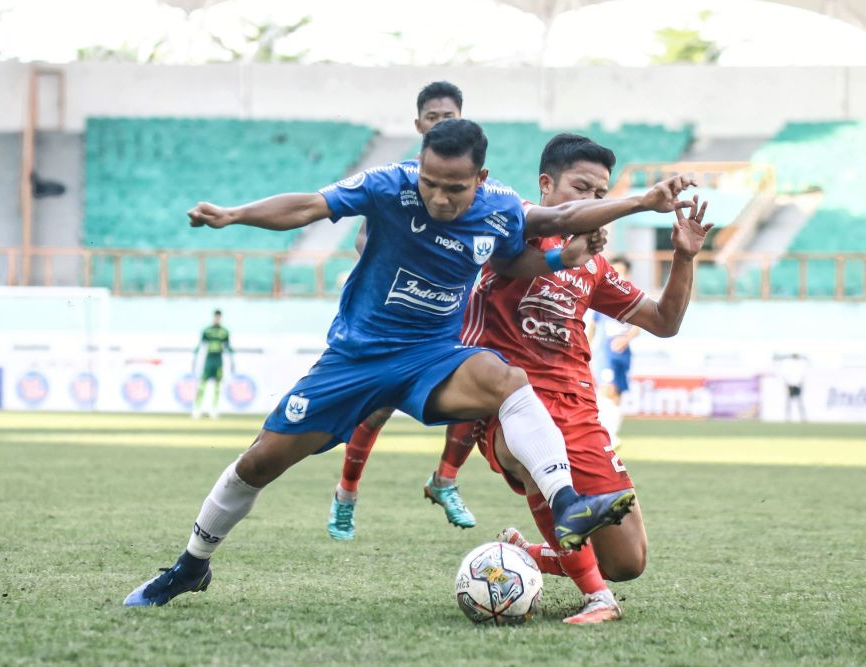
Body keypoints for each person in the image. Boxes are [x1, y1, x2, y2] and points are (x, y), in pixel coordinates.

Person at [123, 119, 696, 607]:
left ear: (482, 181)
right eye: (430, 183)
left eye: (453, 188)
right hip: (357, 358)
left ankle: (567, 503)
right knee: (258, 464)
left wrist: (643, 204)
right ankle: (192, 565)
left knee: (506, 381)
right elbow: (308, 205)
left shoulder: (499, 211)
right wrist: (234, 216)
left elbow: (551, 227)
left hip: (431, 358)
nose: (439, 199)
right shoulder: (388, 187)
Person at [453, 133, 711, 623]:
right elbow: (563, 223)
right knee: (522, 451)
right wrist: (634, 204)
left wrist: (683, 257)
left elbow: (664, 322)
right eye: (582, 187)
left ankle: (528, 555)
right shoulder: (514, 223)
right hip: (512, 395)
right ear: (546, 183)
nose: (592, 200)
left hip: (580, 409)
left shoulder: (592, 264)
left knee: (628, 561)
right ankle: (598, 599)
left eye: (600, 192)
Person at [331, 80, 479, 540]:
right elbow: (361, 237)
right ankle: (346, 494)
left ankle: (445, 481)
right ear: (419, 125)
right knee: (374, 412)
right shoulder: (392, 182)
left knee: (478, 397)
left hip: (442, 323)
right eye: (434, 117)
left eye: (451, 116)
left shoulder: (471, 185)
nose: (443, 123)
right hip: (389, 321)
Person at [588, 256, 640, 446]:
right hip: (604, 352)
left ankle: (611, 433)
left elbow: (637, 327)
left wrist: (626, 339)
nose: (617, 274)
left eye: (621, 271)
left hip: (623, 354)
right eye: (614, 270)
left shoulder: (632, 298)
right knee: (607, 390)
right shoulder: (601, 295)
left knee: (617, 393)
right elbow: (592, 326)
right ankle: (605, 434)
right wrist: (585, 347)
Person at [191, 309, 234, 419]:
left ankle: (214, 410)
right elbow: (200, 346)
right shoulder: (207, 331)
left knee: (217, 386)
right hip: (208, 361)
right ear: (213, 317)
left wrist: (232, 360)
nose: (217, 319)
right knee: (202, 385)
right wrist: (194, 360)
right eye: (216, 317)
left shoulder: (224, 332)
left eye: (218, 317)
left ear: (221, 318)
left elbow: (228, 347)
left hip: (218, 361)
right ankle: (197, 409)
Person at [778, 352, 808, 421]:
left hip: (798, 385)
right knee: (788, 402)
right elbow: (785, 375)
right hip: (790, 385)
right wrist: (786, 385)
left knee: (799, 402)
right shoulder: (788, 363)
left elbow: (803, 375)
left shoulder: (801, 363)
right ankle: (787, 418)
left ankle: (803, 418)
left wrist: (801, 384)